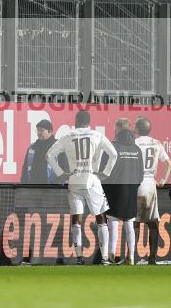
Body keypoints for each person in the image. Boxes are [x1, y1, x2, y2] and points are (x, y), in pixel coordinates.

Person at [46, 110, 118, 265]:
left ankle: (79, 257)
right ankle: (105, 258)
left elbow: (49, 155)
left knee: (76, 220)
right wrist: (105, 173)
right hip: (92, 179)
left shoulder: (68, 136)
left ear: (76, 121)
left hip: (74, 179)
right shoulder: (97, 135)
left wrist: (60, 173)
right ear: (89, 122)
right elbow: (113, 154)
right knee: (101, 218)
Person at [103, 119, 143, 265]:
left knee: (113, 222)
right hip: (131, 188)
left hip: (114, 188)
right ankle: (131, 257)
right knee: (129, 223)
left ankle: (111, 255)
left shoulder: (113, 147)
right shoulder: (137, 149)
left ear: (118, 128)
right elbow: (141, 174)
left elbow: (105, 171)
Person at [134, 116, 171, 265]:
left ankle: (131, 256)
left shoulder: (134, 143)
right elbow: (169, 164)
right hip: (151, 183)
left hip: (137, 182)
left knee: (134, 223)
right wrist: (162, 181)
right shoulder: (157, 143)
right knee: (153, 223)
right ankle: (152, 258)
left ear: (137, 128)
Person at [20, 119, 59, 184]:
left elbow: (65, 169)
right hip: (33, 188)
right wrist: (23, 185)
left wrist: (57, 187)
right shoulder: (32, 147)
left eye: (41, 130)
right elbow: (25, 169)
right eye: (38, 130)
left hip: (51, 189)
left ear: (49, 131)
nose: (38, 133)